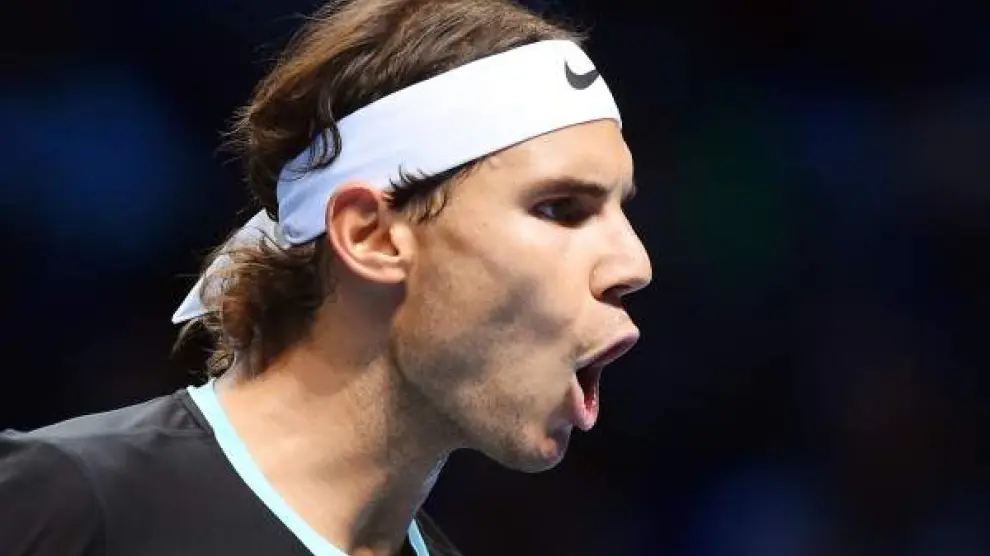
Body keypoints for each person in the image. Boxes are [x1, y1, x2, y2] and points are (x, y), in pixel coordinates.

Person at [0, 0, 652, 554]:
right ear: (370, 235)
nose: (634, 265)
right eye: (560, 208)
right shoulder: (71, 500)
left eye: (621, 211)